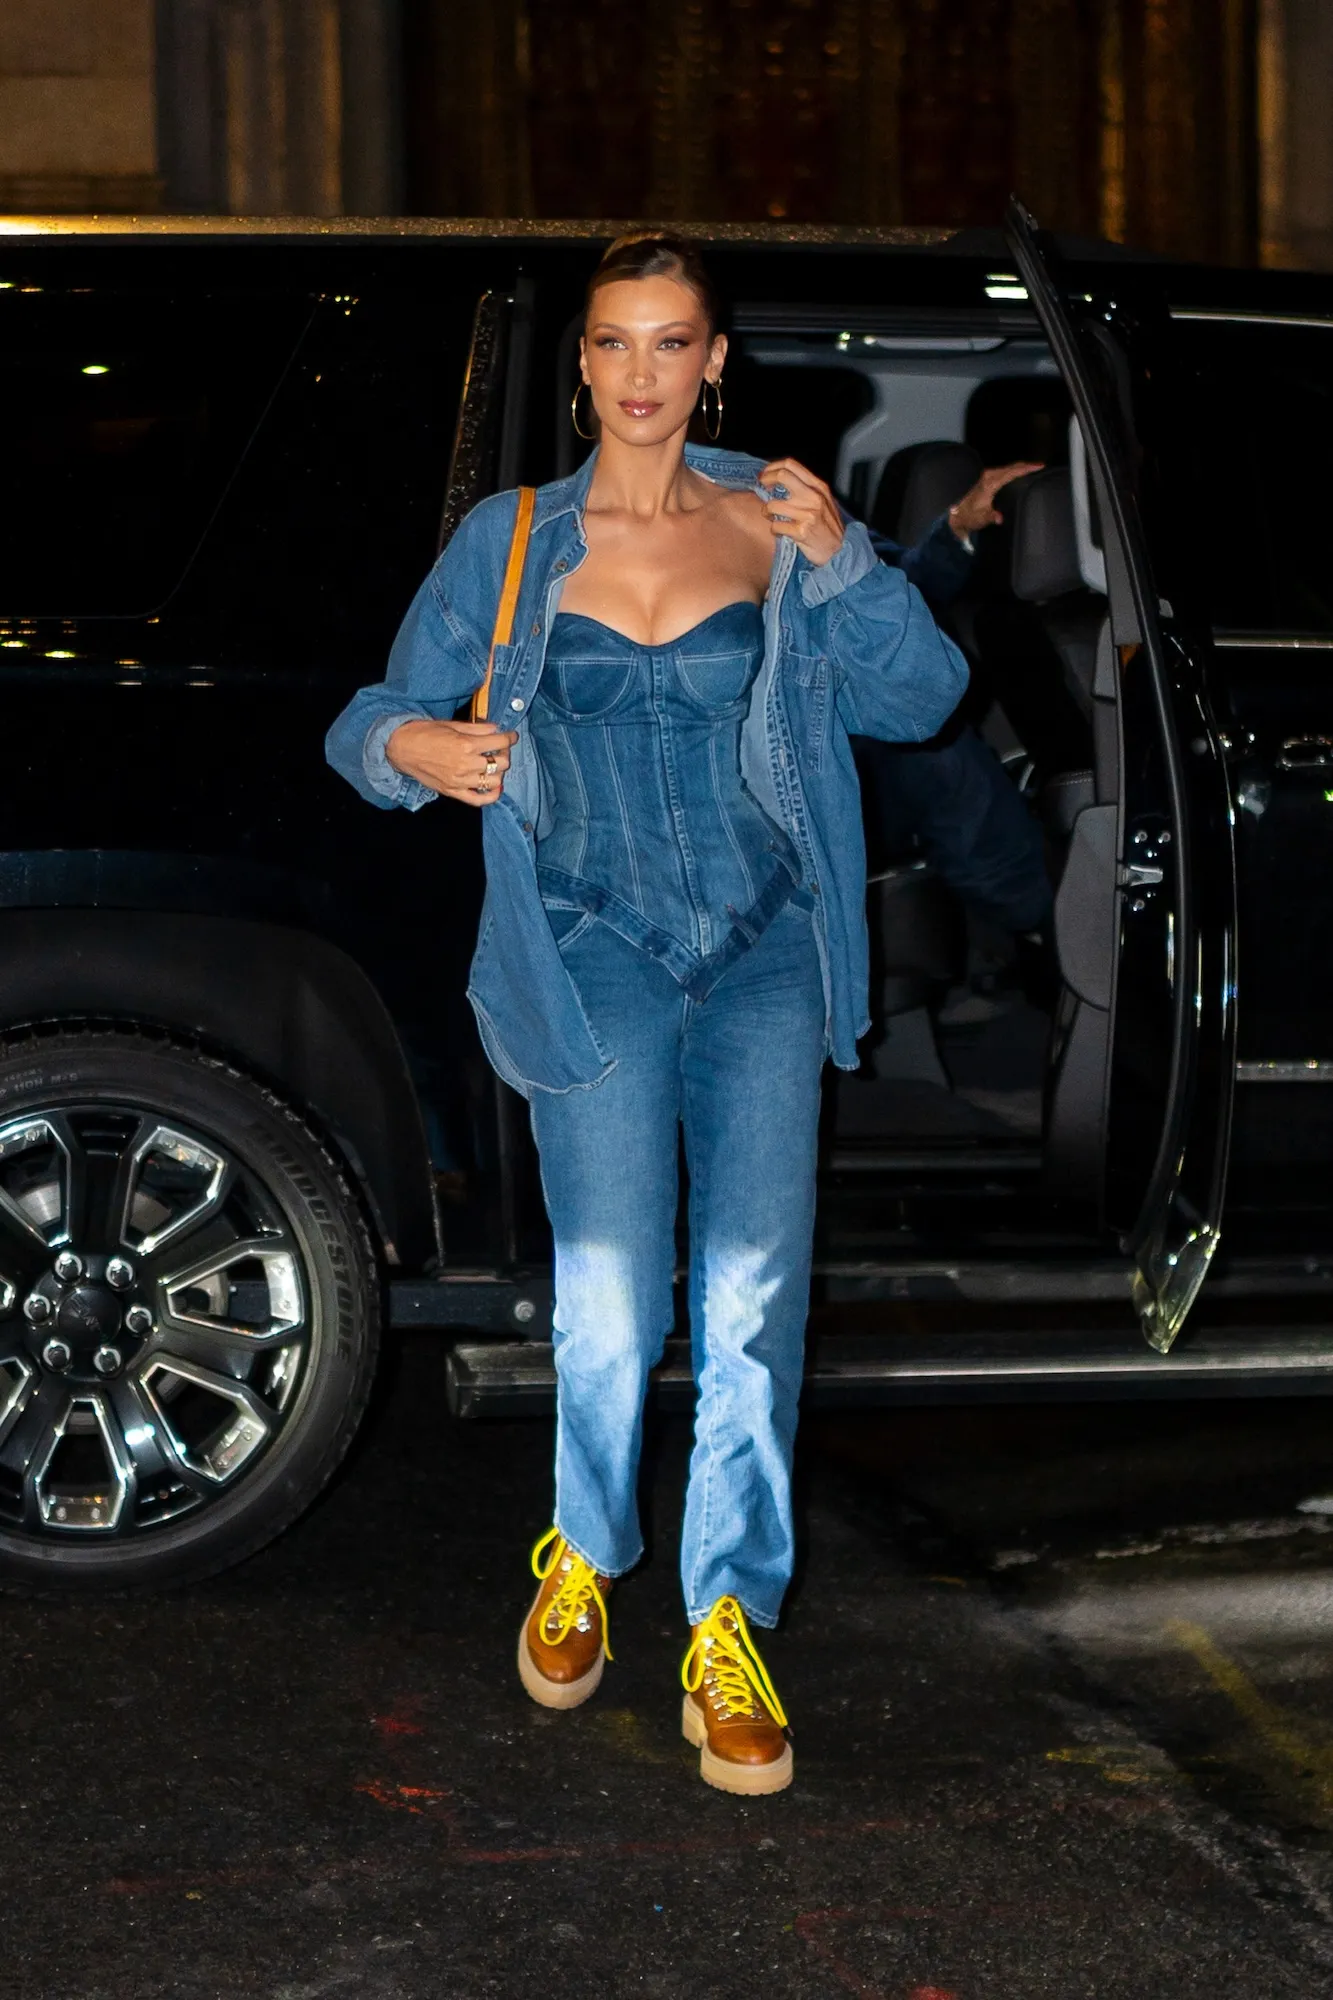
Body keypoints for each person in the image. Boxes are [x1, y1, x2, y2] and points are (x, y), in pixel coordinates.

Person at [325, 232, 967, 1796]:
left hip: (763, 951)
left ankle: (726, 1622)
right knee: (611, 1300)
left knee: (750, 1302)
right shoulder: (512, 538)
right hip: (588, 948)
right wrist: (413, 749)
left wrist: (849, 564)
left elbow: (923, 700)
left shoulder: (776, 519)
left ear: (713, 360)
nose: (638, 374)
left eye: (670, 343)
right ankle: (583, 1545)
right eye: (613, 342)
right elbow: (369, 715)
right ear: (582, 361)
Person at [863, 463, 1053, 939]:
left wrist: (956, 526)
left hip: (836, 721)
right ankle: (1050, 927)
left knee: (930, 739)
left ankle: (1050, 929)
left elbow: (897, 586)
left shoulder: (765, 489)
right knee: (932, 754)